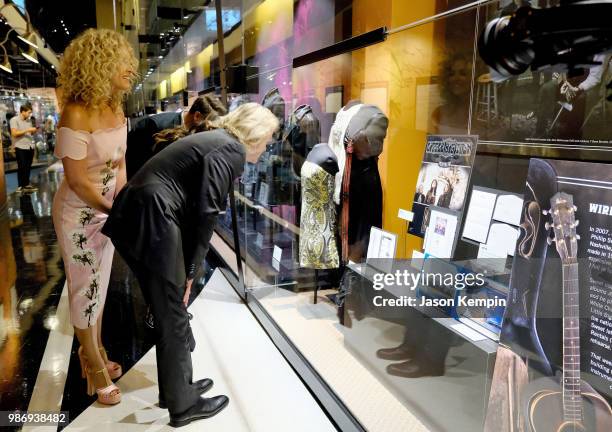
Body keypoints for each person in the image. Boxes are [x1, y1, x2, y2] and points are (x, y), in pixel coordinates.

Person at [102, 102, 278, 427]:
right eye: (267, 139)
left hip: (139, 216)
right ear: (254, 134)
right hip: (151, 219)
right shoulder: (231, 149)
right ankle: (182, 407)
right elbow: (207, 212)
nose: (267, 147)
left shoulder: (218, 140)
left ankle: (176, 391)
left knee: (168, 311)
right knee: (173, 314)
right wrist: (191, 273)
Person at [51, 29, 137, 405]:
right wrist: (112, 209)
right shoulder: (75, 112)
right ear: (100, 65)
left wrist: (124, 199)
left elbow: (118, 166)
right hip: (77, 214)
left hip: (107, 211)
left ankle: (94, 351)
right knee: (83, 286)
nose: (132, 70)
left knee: (99, 287)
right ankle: (95, 364)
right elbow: (76, 180)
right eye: (124, 62)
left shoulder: (116, 109)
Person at [125, 94, 226, 179]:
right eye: (209, 126)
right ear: (197, 116)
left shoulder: (194, 133)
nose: (210, 132)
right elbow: (131, 163)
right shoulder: (154, 125)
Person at [10, 103, 38, 193]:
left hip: (30, 146)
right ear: (23, 112)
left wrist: (33, 131)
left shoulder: (28, 121)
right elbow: (14, 133)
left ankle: (26, 185)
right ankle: (20, 186)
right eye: (29, 112)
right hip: (20, 146)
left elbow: (28, 134)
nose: (30, 114)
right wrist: (28, 130)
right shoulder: (14, 120)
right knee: (21, 166)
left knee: (28, 167)